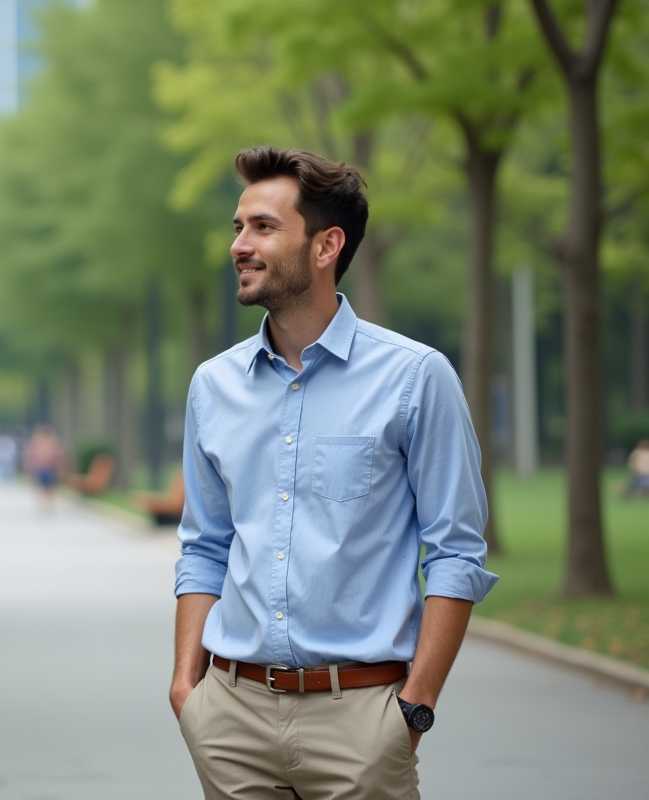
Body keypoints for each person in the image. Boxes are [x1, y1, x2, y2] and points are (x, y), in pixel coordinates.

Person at [171, 146, 498, 800]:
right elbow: (205, 545)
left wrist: (414, 707)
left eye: (263, 227)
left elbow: (456, 552)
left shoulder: (414, 377)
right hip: (230, 716)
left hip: (362, 721)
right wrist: (187, 688)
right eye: (238, 227)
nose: (239, 245)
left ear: (326, 246)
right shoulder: (213, 385)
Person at [23, 424, 65, 512]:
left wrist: (60, 467)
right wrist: (29, 467)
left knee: (50, 487)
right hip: (40, 467)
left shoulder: (52, 441)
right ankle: (43, 505)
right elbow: (31, 455)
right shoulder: (36, 441)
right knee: (42, 487)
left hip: (50, 467)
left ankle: (49, 504)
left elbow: (58, 455)